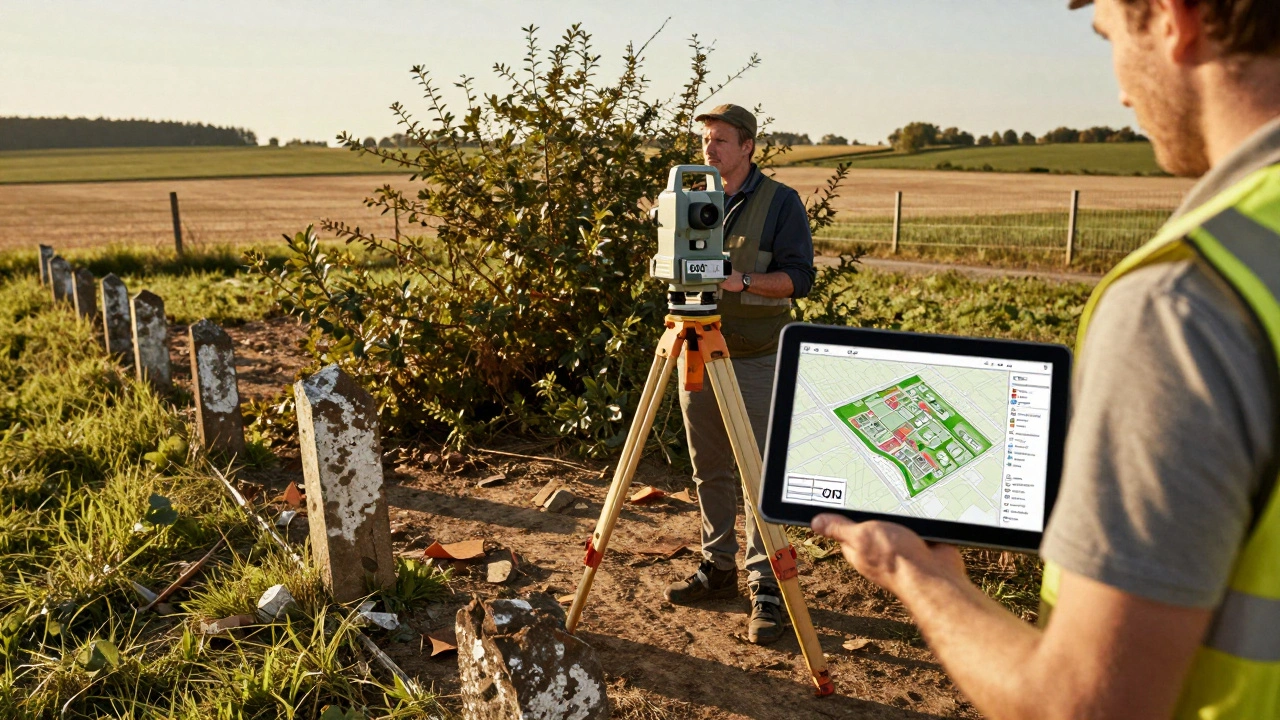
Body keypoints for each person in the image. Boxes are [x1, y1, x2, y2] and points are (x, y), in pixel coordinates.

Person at [813, 0, 1280, 717]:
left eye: (1110, 37)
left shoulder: (1189, 299)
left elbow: (1081, 704)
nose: (1121, 91)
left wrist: (916, 573)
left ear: (1169, 18)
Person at [663, 104, 816, 645]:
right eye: (706, 140)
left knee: (757, 474)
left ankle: (767, 583)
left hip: (753, 357)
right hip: (695, 349)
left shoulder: (781, 203)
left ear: (748, 145)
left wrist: (741, 280)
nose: (710, 149)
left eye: (721, 140)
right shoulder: (688, 198)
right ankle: (717, 566)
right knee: (709, 466)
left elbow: (799, 279)